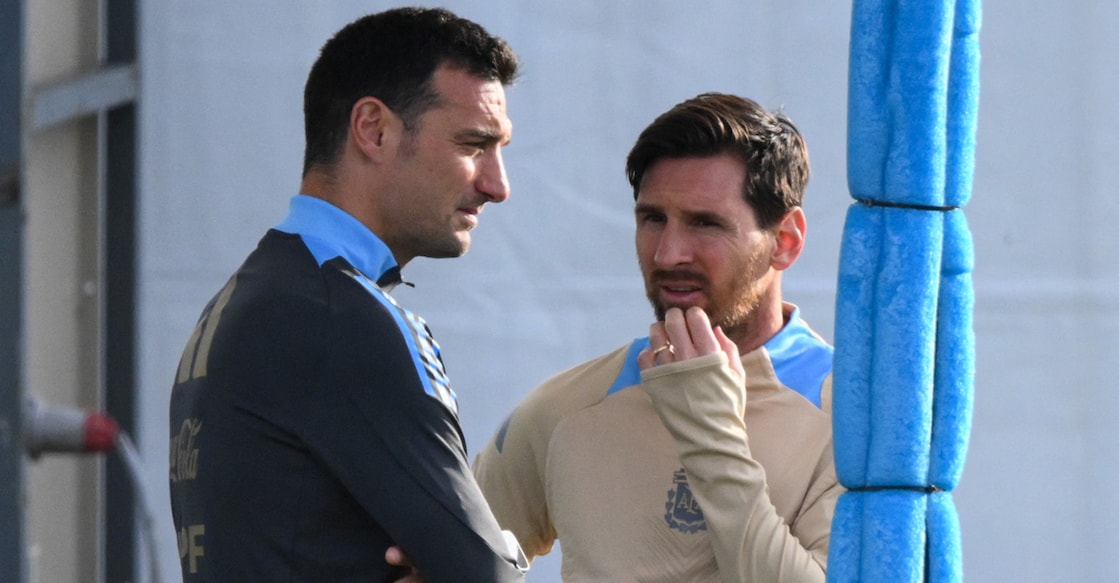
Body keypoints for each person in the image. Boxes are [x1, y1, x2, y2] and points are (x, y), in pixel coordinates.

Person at [168, 7, 528, 582]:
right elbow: (487, 574)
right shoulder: (342, 316)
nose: (497, 185)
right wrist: (502, 550)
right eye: (474, 144)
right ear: (374, 130)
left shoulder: (246, 299)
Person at [472, 93, 841, 582]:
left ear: (786, 241)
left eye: (705, 223)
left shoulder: (854, 415)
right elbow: (438, 557)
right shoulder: (568, 407)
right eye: (653, 219)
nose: (668, 254)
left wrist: (709, 435)